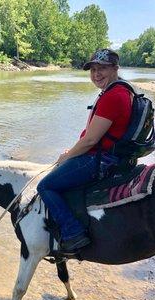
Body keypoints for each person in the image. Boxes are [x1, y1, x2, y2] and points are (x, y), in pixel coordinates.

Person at [37, 48, 132, 254]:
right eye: (93, 69)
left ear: (115, 68)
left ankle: (73, 233)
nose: (96, 74)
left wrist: (67, 156)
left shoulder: (113, 96)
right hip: (109, 154)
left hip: (102, 159)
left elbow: (90, 140)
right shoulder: (122, 90)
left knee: (45, 186)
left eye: (103, 68)